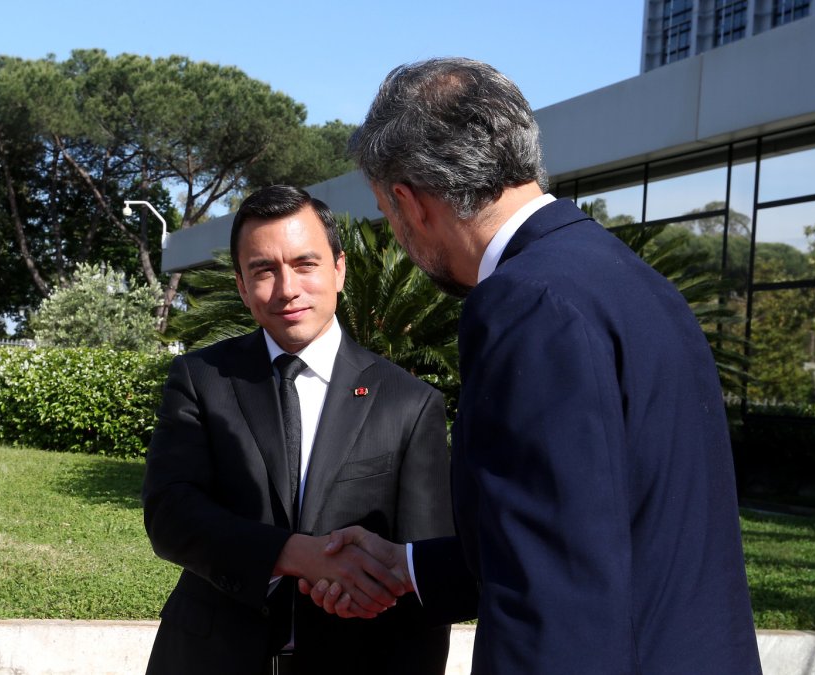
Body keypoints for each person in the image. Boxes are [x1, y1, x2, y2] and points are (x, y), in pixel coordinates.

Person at [303, 57, 763, 674]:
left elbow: (555, 584)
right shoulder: (635, 282)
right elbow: (608, 523)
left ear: (410, 203)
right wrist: (406, 565)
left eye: (386, 214)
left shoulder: (524, 303)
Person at [141, 185, 455, 674]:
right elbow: (171, 514)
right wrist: (296, 556)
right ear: (242, 288)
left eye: (305, 264)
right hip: (207, 657)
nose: (287, 289)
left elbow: (424, 579)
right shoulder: (201, 378)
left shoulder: (410, 405)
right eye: (263, 270)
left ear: (339, 269)